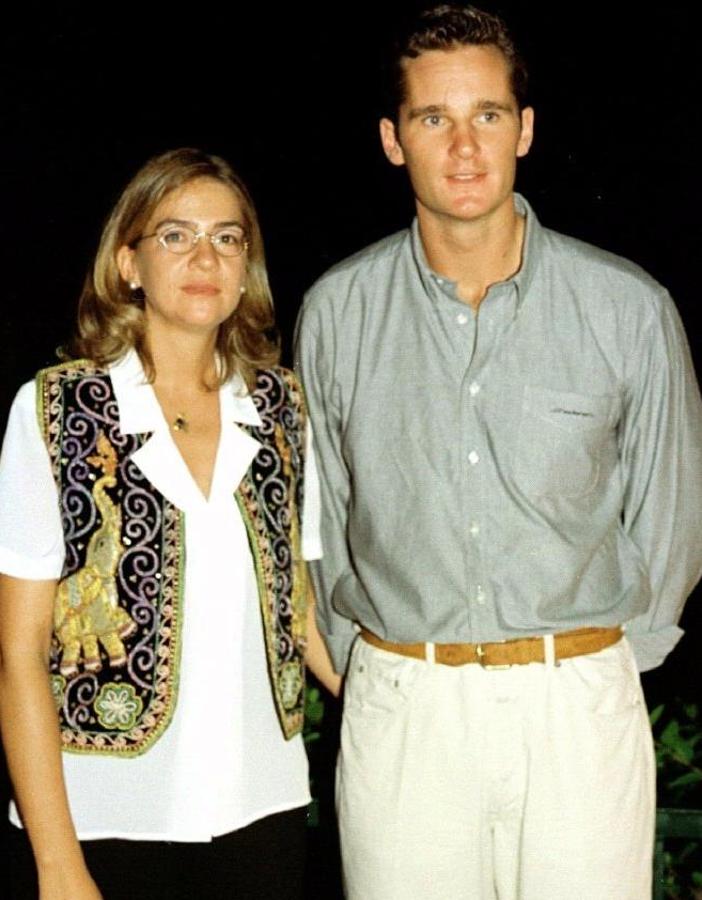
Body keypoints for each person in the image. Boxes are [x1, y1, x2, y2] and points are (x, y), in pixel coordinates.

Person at [294, 5, 702, 898]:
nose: (464, 147)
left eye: (487, 114)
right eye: (432, 118)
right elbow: (318, 522)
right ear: (393, 140)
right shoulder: (336, 313)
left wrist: (597, 668)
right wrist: (371, 666)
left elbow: (672, 523)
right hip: (405, 707)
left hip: (577, 708)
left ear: (525, 128)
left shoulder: (627, 309)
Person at [0, 147, 340, 900]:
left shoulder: (282, 407)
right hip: (103, 819)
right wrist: (58, 864)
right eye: (176, 235)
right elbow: (20, 654)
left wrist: (395, 696)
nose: (204, 258)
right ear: (129, 262)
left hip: (263, 810)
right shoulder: (56, 410)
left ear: (246, 266)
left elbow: (302, 609)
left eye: (226, 238)